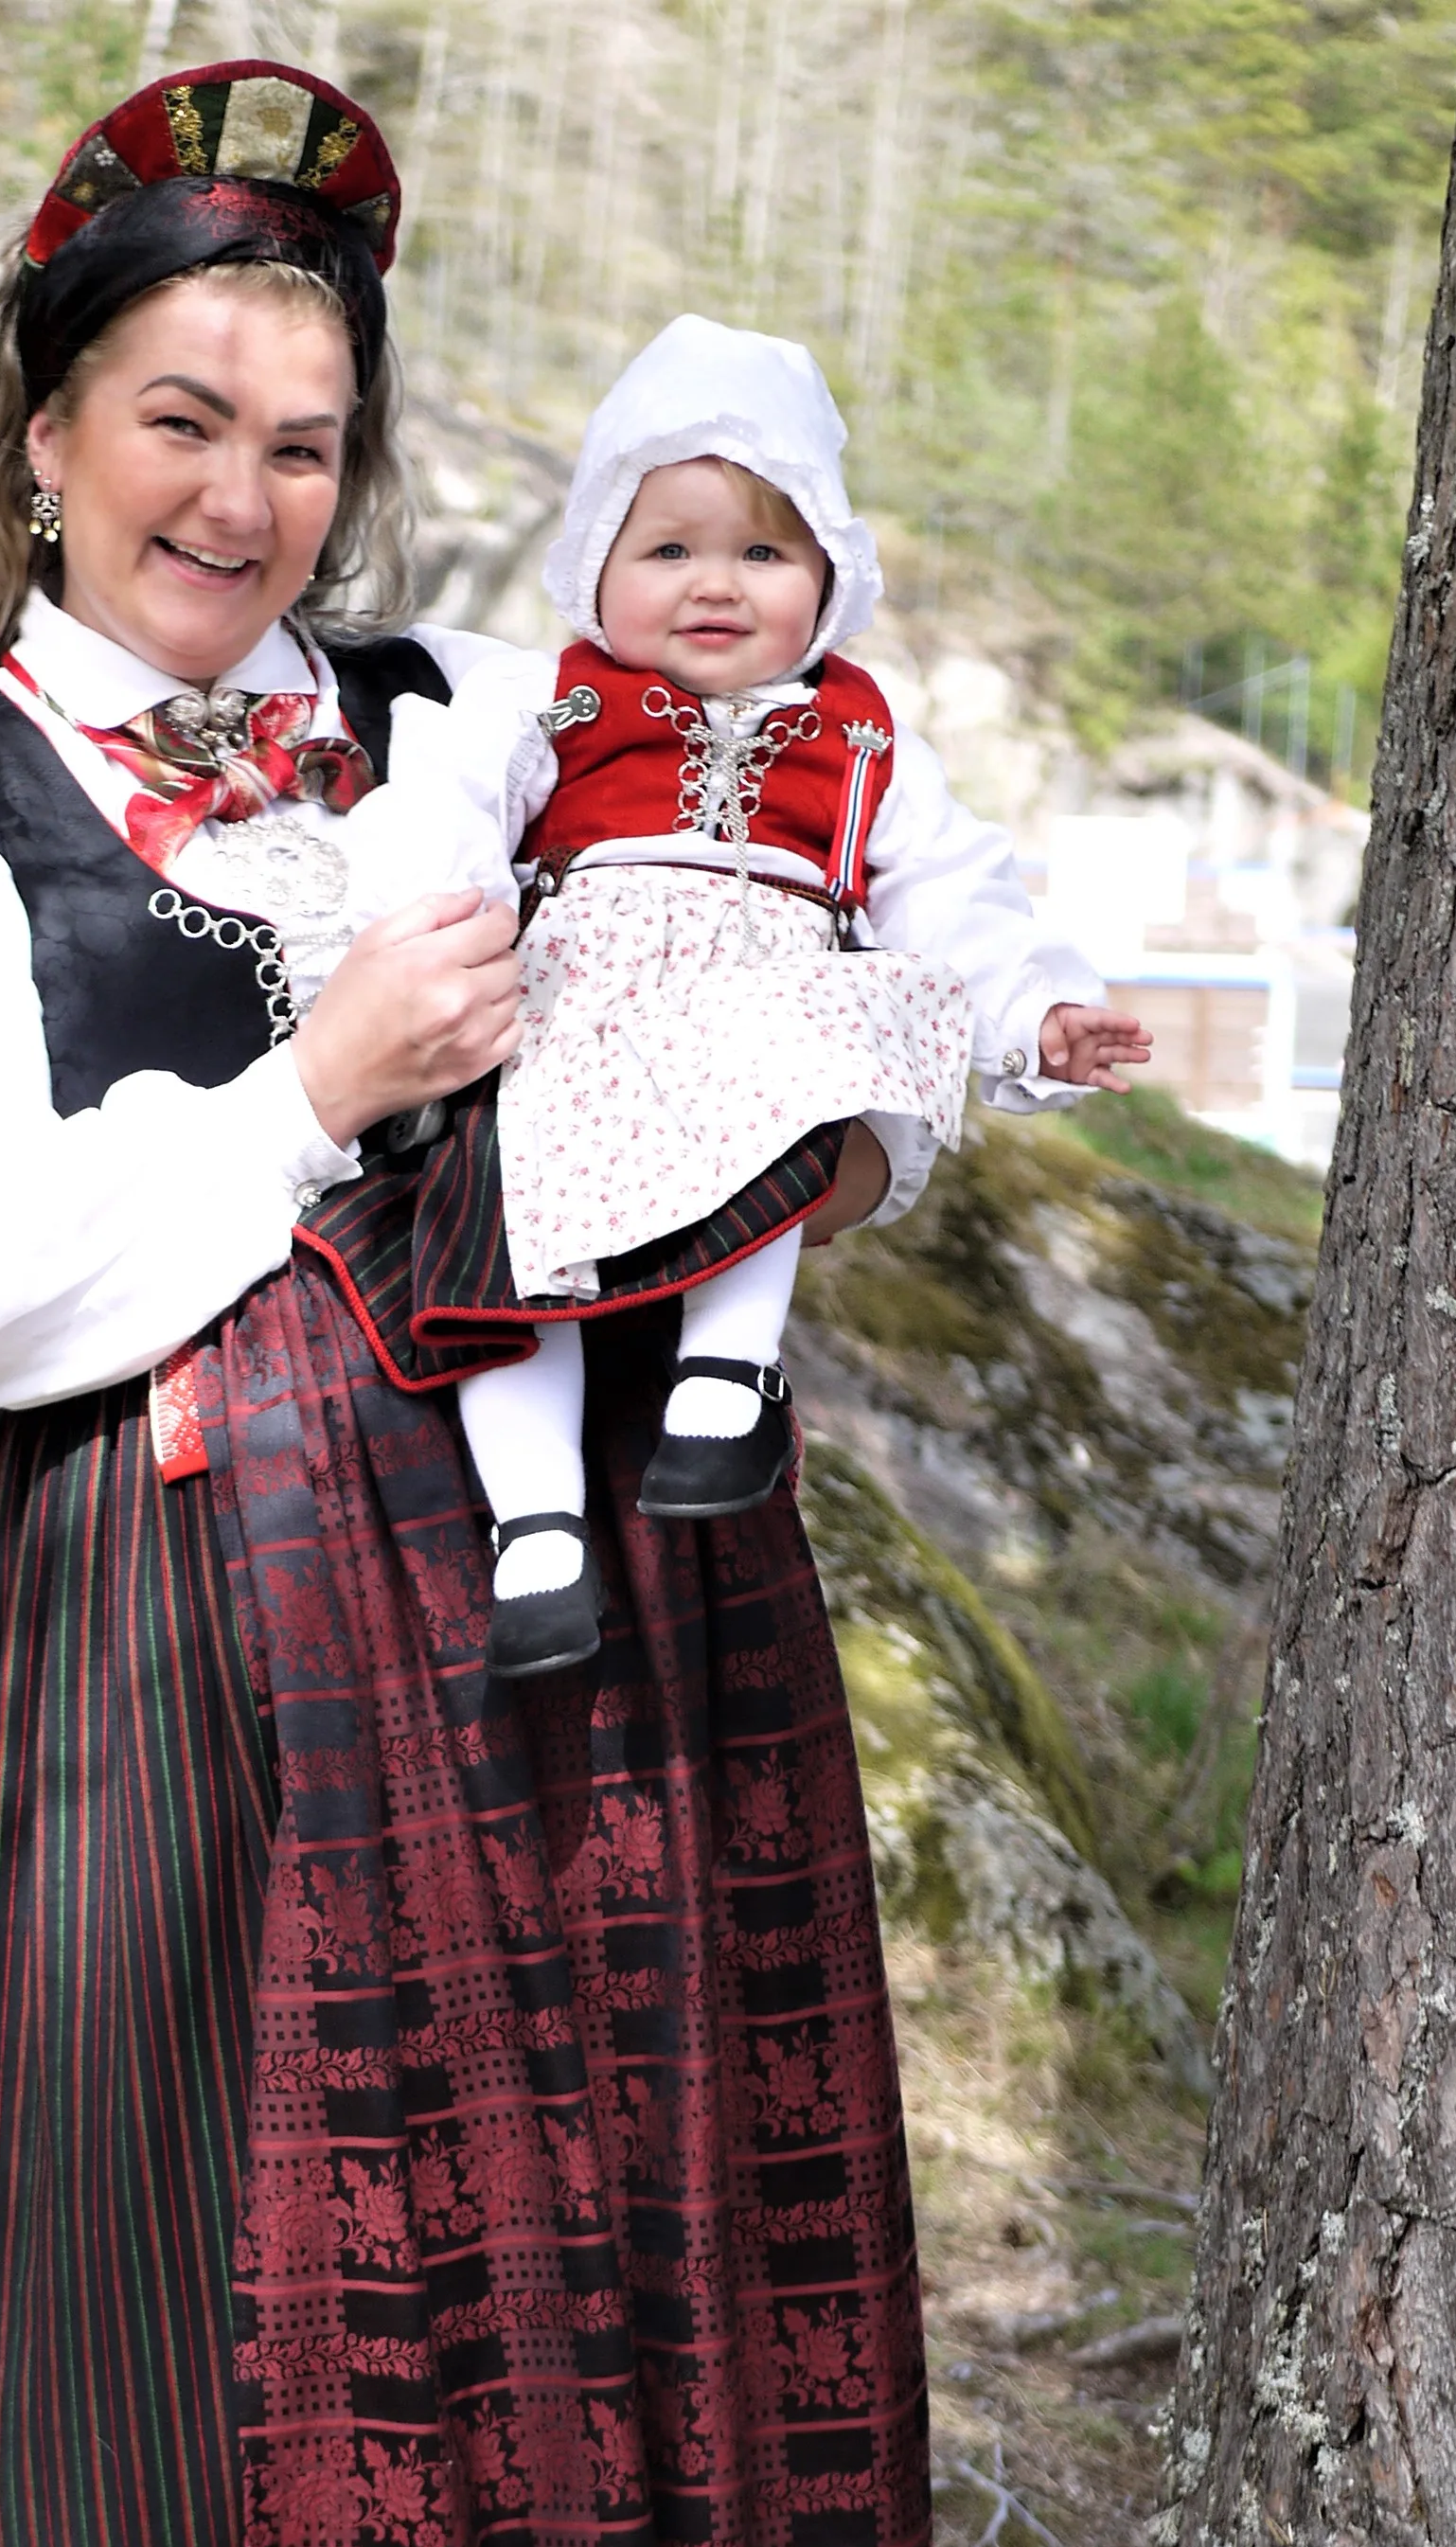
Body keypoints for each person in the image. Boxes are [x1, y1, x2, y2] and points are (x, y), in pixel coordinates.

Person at [0, 58, 943, 2547]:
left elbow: (760, 907)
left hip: (520, 1618)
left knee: (441, 2277)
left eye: (297, 439)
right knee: (82, 2269)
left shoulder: (463, 714)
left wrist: (849, 1098)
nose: (239, 495)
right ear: (44, 430)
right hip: (162, 1616)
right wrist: (312, 1097)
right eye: (179, 420)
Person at [336, 313, 1147, 1679]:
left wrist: (1036, 1014)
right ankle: (535, 1528)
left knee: (803, 1062)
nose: (715, 584)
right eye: (669, 550)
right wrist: (448, 909)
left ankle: (728, 1370)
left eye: (764, 553)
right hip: (581, 1012)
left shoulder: (866, 734)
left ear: (829, 573)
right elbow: (448, 802)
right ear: (596, 567)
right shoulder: (550, 700)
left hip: (766, 1005)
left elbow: (955, 900)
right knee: (512, 1237)